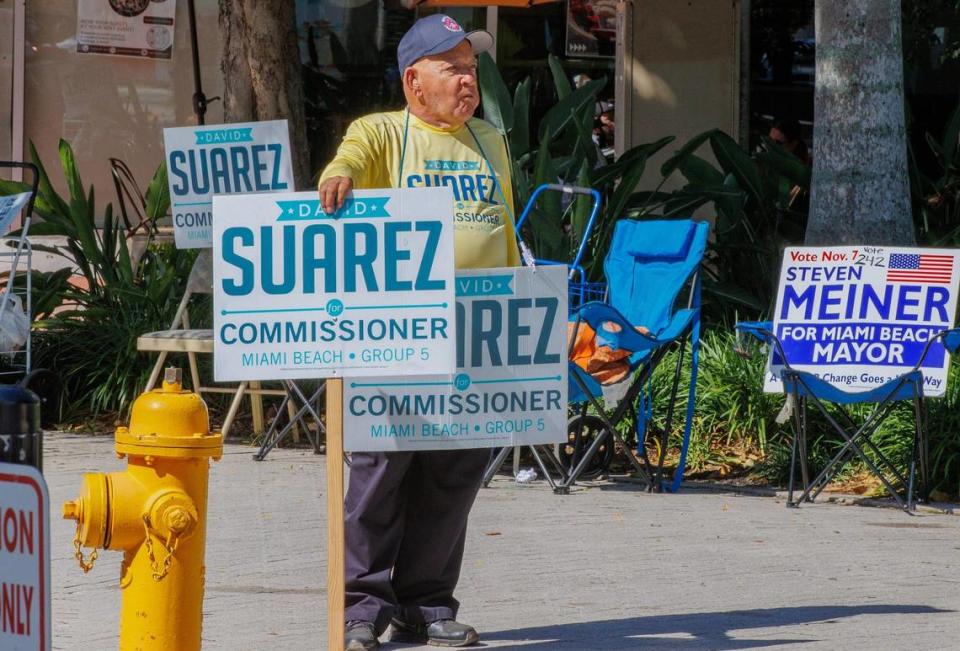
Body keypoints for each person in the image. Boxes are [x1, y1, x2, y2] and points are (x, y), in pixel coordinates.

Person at [317, 14, 520, 651]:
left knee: (453, 477)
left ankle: (428, 602)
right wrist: (338, 175)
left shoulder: (491, 137)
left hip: (475, 335)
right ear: (414, 80)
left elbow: (504, 230)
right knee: (381, 472)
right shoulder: (383, 133)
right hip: (399, 338)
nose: (469, 79)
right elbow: (348, 158)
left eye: (471, 65)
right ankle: (362, 609)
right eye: (453, 67)